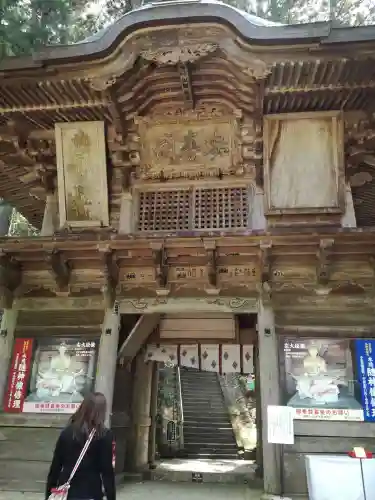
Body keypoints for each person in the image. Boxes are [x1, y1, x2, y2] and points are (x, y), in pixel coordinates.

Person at [45, 392, 116, 500]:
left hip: (66, 491)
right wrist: (111, 496)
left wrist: (49, 493)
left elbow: (55, 467)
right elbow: (107, 472)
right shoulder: (105, 435)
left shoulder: (68, 432)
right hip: (91, 491)